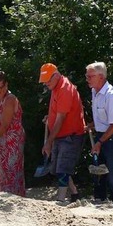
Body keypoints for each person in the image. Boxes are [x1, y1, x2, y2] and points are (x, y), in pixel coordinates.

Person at [39, 63, 85, 203]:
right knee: (59, 166)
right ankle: (75, 193)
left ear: (56, 75)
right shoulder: (55, 86)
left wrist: (49, 142)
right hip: (61, 134)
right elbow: (58, 112)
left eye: (48, 80)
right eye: (44, 80)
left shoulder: (64, 89)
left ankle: (61, 199)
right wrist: (50, 118)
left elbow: (61, 118)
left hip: (70, 135)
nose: (46, 83)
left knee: (62, 168)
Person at [85, 62, 113, 202]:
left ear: (101, 77)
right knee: (98, 169)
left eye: (90, 76)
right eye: (87, 76)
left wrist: (100, 142)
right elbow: (103, 117)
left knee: (112, 171)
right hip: (102, 135)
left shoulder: (111, 96)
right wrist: (91, 125)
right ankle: (100, 199)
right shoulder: (94, 91)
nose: (87, 79)